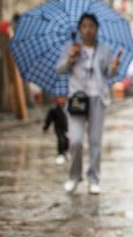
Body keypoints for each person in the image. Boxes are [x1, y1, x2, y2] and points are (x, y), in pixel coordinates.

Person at [55, 13, 121, 195]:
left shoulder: (105, 50)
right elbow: (59, 69)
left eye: (91, 26)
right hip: (77, 99)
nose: (88, 29)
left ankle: (94, 179)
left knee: (95, 141)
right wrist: (69, 59)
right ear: (79, 29)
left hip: (97, 98)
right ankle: (74, 177)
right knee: (75, 141)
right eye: (84, 26)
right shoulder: (71, 48)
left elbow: (109, 74)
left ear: (97, 28)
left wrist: (114, 66)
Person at [43, 96, 69, 164]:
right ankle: (60, 154)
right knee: (61, 140)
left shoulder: (67, 107)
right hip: (58, 128)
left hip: (66, 128)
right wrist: (46, 127)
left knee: (66, 140)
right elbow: (49, 119)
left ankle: (65, 151)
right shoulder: (53, 109)